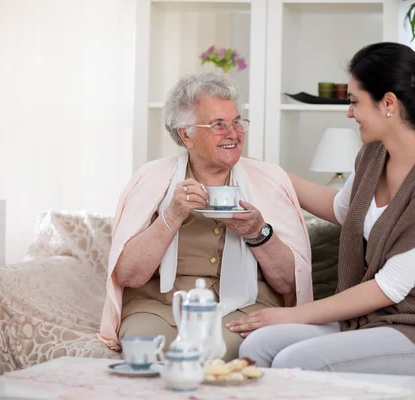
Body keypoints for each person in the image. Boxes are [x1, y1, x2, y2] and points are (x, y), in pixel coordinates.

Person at [227, 42, 415, 383]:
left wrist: (293, 315)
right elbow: (342, 209)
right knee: (258, 347)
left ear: (388, 103)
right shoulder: (374, 154)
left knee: (295, 360)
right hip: (372, 320)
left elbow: (389, 287)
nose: (349, 112)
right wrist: (263, 171)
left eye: (354, 101)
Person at [98, 72, 313, 361]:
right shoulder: (151, 179)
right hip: (159, 306)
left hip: (245, 306)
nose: (233, 133)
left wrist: (258, 232)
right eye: (218, 125)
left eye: (237, 122)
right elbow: (127, 275)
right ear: (186, 134)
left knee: (215, 354)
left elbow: (290, 283)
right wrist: (171, 216)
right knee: (147, 351)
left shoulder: (268, 180)